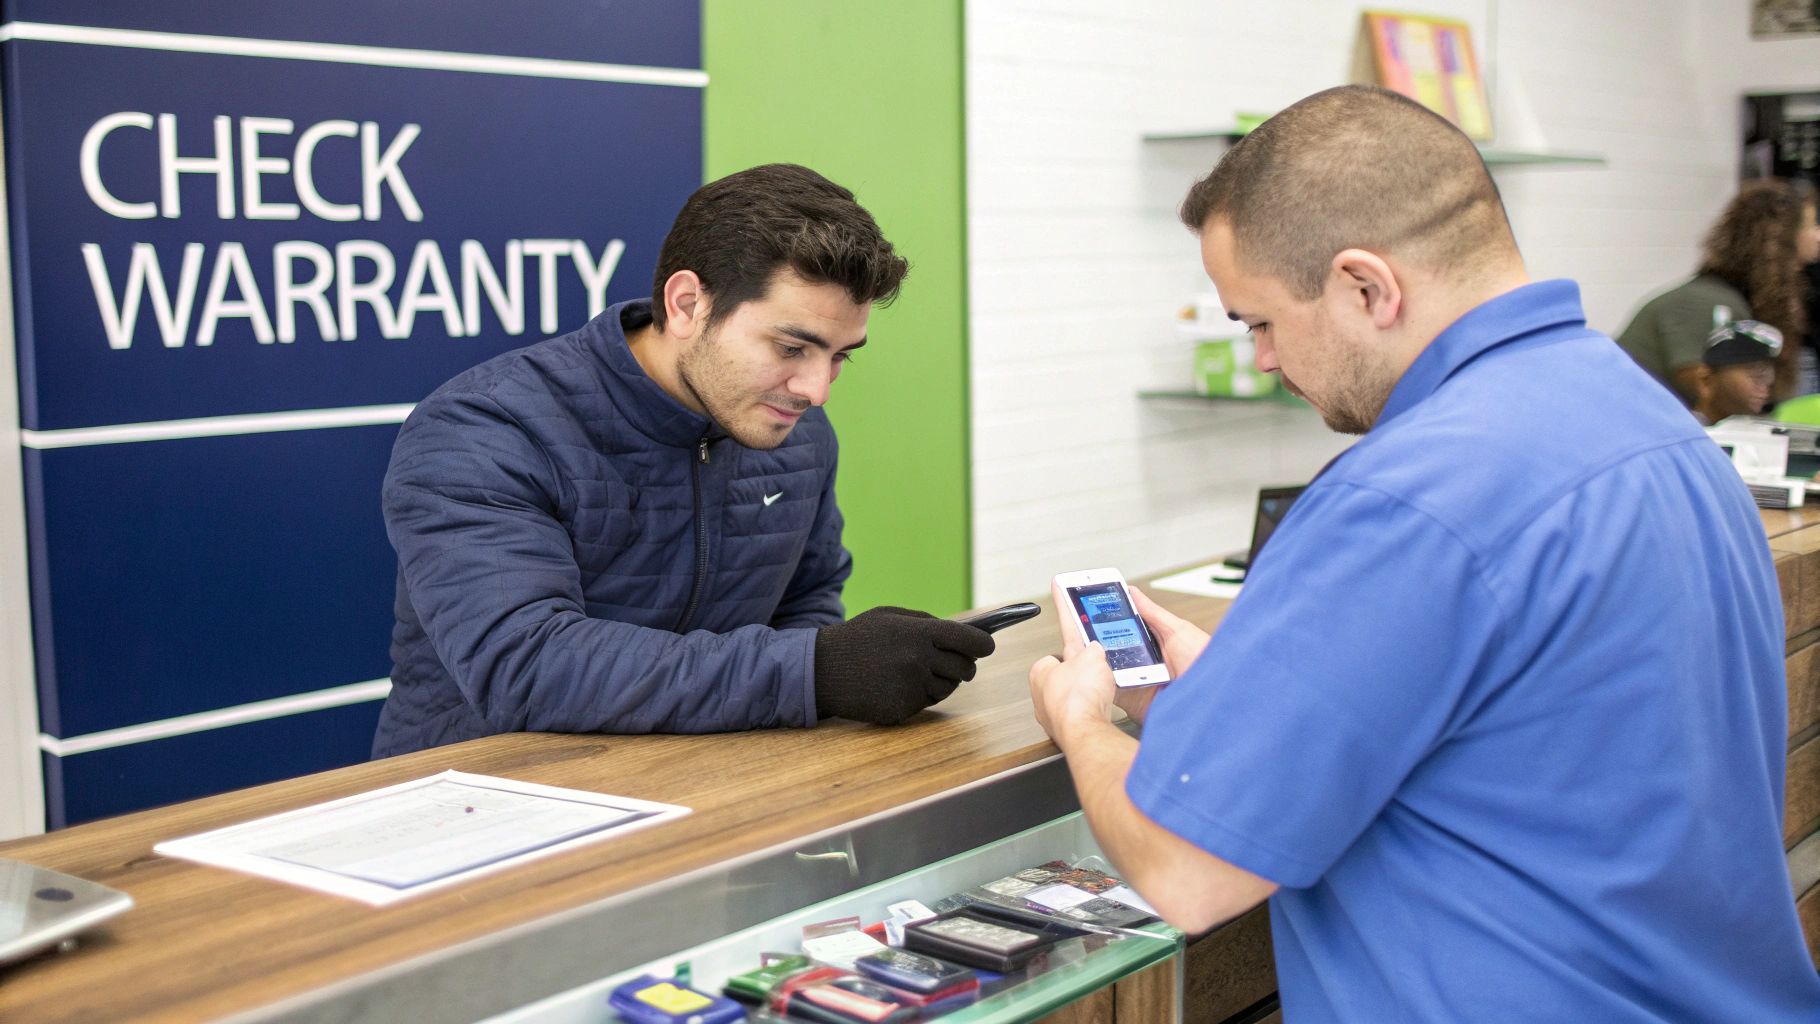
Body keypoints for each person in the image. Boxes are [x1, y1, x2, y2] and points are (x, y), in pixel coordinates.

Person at [1028, 86, 1820, 1021]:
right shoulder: (1657, 423)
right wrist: (1241, 690)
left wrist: (1079, 720)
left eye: (1260, 322)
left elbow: (1187, 870)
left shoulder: (1404, 495)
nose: (1264, 362)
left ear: (1368, 287)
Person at [373, 163, 993, 758]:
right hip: (474, 814)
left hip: (702, 795)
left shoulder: (797, 434)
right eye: (791, 346)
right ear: (687, 304)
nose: (815, 389)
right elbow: (526, 666)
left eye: (839, 356)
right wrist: (816, 671)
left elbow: (804, 604)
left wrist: (826, 665)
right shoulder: (485, 429)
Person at [1617, 177, 1819, 405]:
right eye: (1811, 225)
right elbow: (1713, 395)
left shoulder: (1732, 300)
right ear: (1780, 237)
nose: (1818, 236)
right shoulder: (1707, 301)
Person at [1690, 320, 1783, 425]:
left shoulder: (1763, 433)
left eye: (1766, 375)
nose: (1765, 386)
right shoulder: (1683, 433)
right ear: (1706, 381)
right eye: (1755, 374)